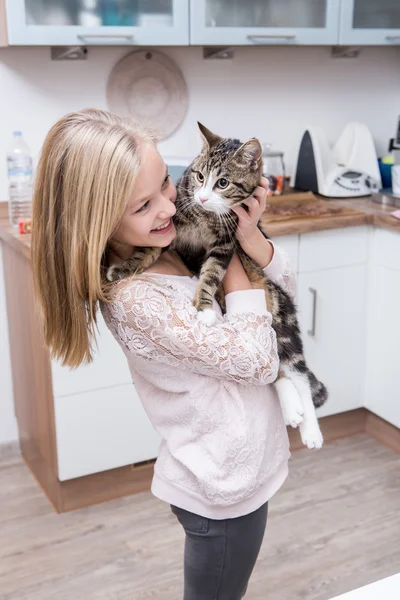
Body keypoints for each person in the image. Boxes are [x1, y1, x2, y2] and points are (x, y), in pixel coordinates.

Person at [32, 108, 296, 600]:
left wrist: (249, 236)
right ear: (95, 223)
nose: (169, 209)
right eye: (142, 205)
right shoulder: (136, 299)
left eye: (167, 187)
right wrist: (233, 255)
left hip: (243, 465)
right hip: (219, 488)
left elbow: (284, 290)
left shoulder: (170, 241)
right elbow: (261, 359)